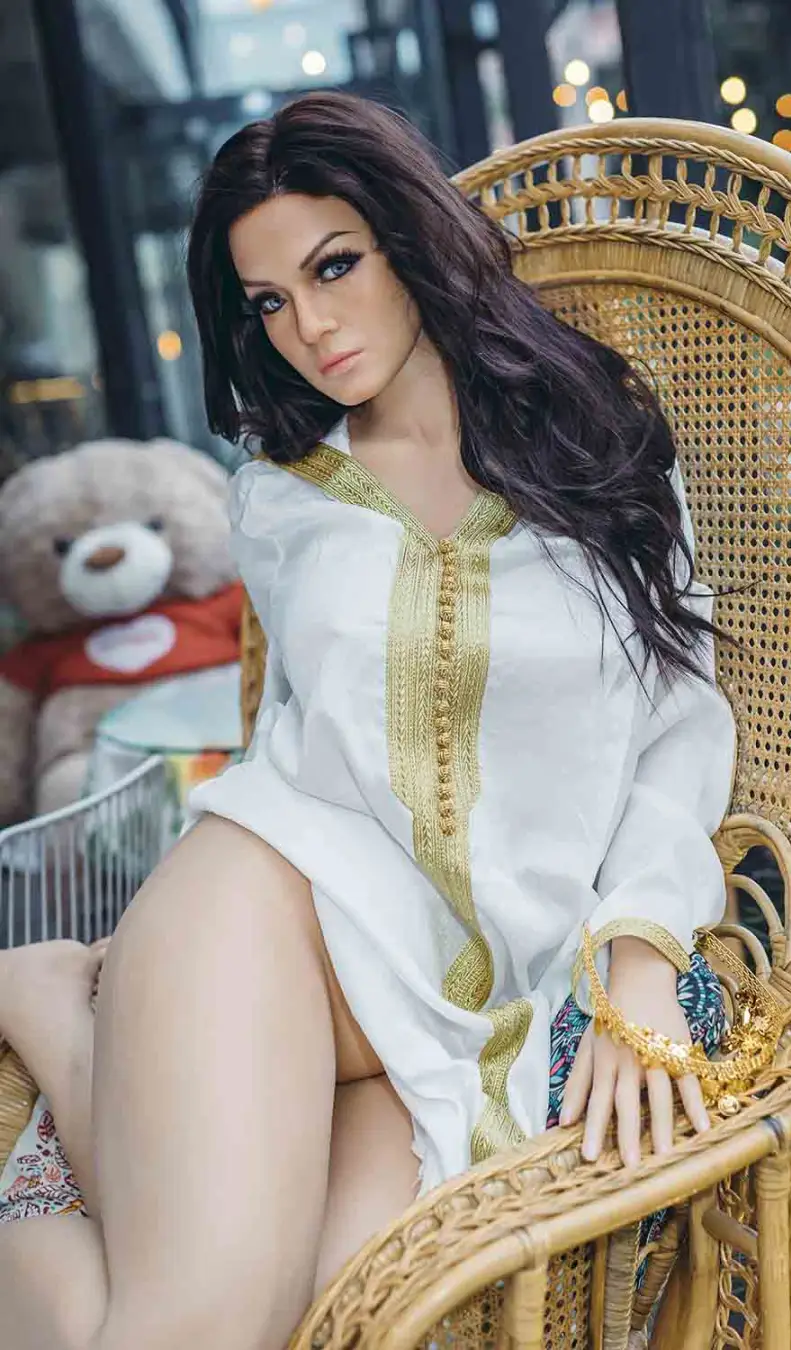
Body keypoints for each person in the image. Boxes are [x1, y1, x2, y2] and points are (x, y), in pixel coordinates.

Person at [0, 91, 735, 1350]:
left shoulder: (602, 446)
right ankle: (90, 1008)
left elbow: (681, 723)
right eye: (268, 302)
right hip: (268, 902)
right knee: (202, 1324)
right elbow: (293, 735)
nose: (309, 327)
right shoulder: (281, 498)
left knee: (309, 1320)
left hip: (476, 984)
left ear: (411, 239)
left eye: (333, 266)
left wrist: (642, 951)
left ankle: (58, 1008)